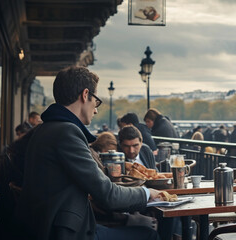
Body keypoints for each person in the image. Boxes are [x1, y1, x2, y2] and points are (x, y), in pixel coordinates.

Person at [14, 67, 162, 240]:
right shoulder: (67, 132)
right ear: (85, 95)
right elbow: (107, 195)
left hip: (46, 226)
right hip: (66, 232)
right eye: (96, 101)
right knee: (149, 235)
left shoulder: (46, 129)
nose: (96, 110)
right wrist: (146, 193)